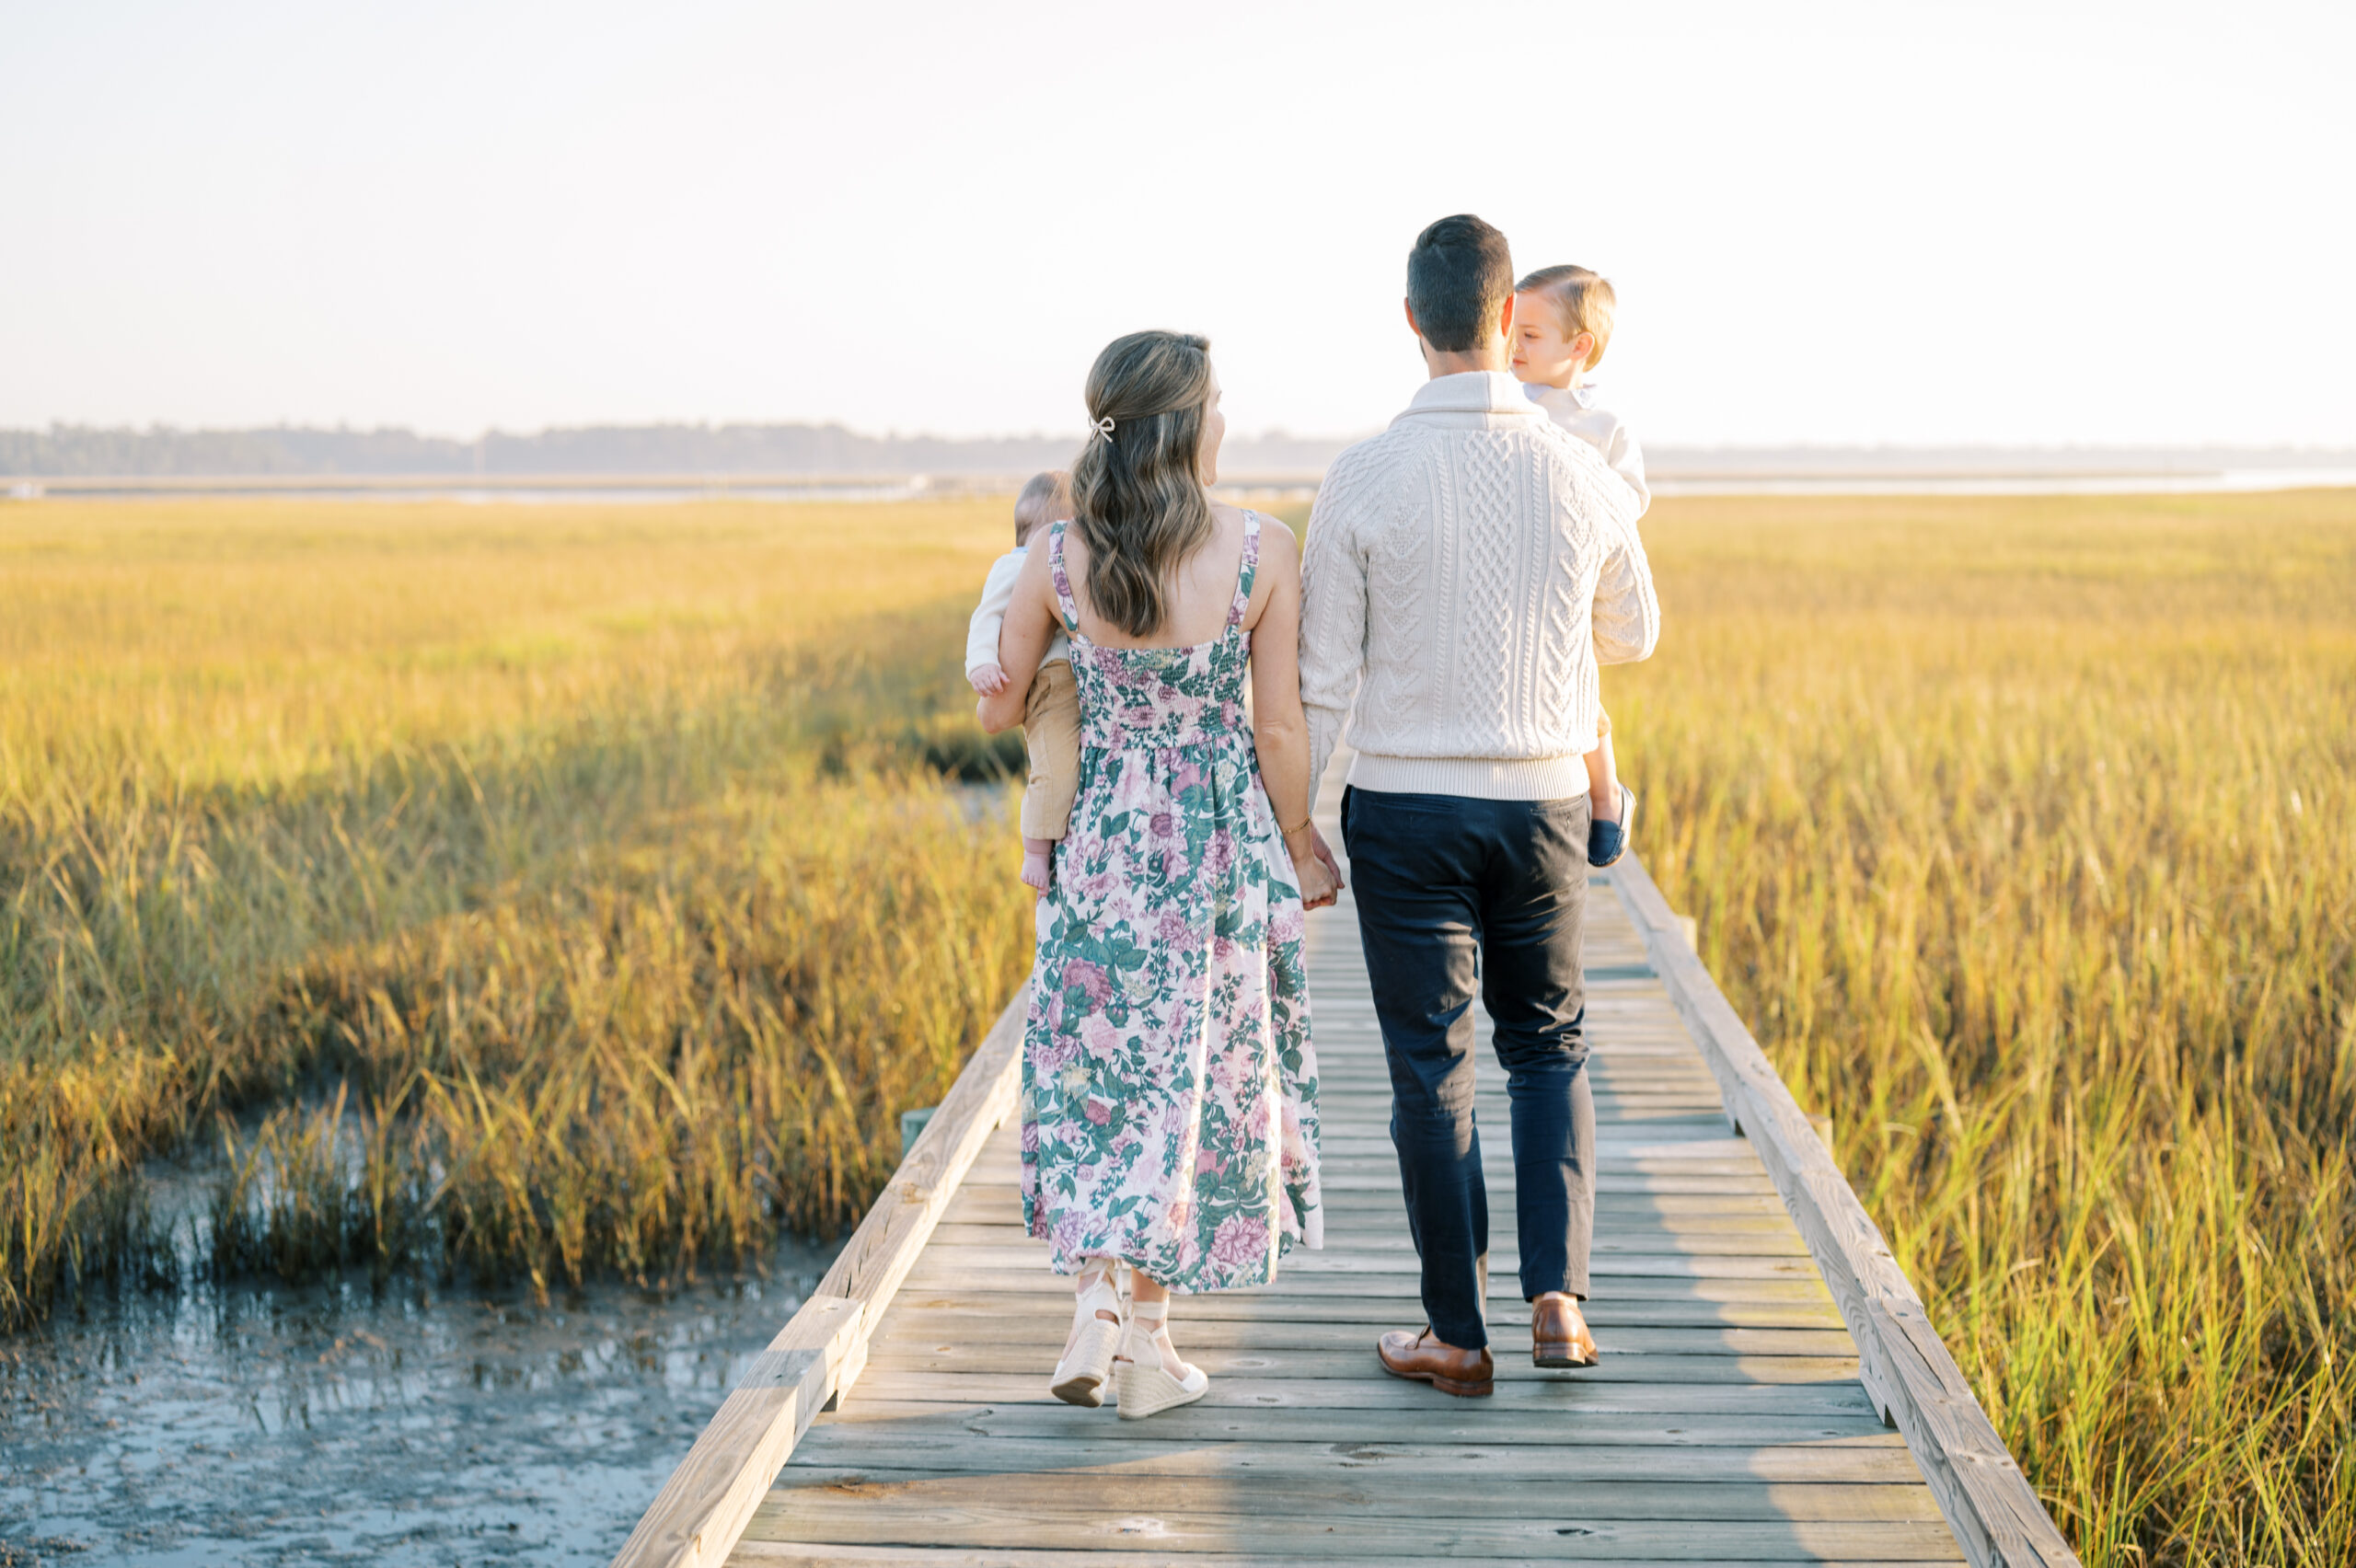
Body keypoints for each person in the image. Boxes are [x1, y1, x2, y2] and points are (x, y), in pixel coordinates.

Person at [1298, 215, 1659, 1398]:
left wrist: (1302, 821)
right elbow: (1636, 634)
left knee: (1428, 1069)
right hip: (1546, 802)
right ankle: (1558, 1303)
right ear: (1510, 320)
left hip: (1402, 808)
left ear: (1413, 322)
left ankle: (1456, 1334)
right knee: (1548, 1047)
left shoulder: (1360, 473)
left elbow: (1321, 678)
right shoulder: (1582, 470)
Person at [977, 329, 1336, 1421]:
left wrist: (1015, 662)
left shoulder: (1056, 558)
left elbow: (1001, 704)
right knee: (1200, 1075)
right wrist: (1302, 838)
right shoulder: (1262, 548)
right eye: (1218, 403)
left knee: (1098, 1065)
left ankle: (1095, 1299)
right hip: (1217, 842)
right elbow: (1275, 725)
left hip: (1101, 843)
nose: (1227, 420)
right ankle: (1150, 1342)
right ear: (1187, 423)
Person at [1511, 263, 1646, 867]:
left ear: (1579, 347)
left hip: (1573, 578)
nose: (1513, 344)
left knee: (1579, 687)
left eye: (1531, 335)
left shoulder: (1602, 426)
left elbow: (1629, 501)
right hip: (1517, 574)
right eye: (1510, 329)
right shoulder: (1504, 404)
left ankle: (1604, 793)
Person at [966, 470, 1080, 893]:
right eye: (1069, 529)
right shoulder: (1016, 566)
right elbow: (986, 617)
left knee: (1065, 765)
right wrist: (980, 664)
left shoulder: (1061, 561)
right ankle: (1035, 850)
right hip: (1047, 685)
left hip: (1072, 683)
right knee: (1052, 769)